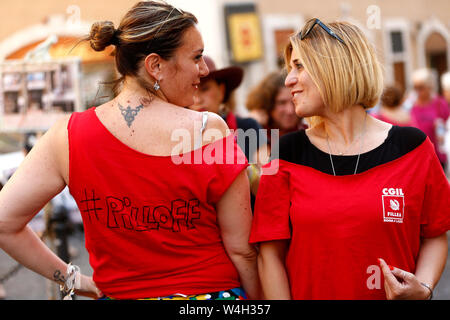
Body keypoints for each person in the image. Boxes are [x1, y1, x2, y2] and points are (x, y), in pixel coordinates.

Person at [0, 1, 260, 300]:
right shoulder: (207, 130)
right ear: (155, 65)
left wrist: (76, 281)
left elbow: (4, 221)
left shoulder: (67, 136)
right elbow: (242, 250)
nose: (203, 70)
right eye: (197, 57)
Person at [250, 18, 450, 300]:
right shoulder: (285, 154)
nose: (288, 80)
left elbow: (435, 234)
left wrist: (425, 289)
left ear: (335, 67)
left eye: (299, 66)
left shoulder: (413, 147)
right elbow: (269, 256)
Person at [190, 55, 266, 199]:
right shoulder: (179, 135)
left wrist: (242, 168)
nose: (198, 99)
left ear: (222, 90)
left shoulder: (248, 127)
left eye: (205, 89)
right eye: (193, 90)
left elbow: (270, 181)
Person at [246, 70, 305, 139]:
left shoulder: (310, 135)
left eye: (294, 101)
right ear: (267, 104)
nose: (290, 111)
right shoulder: (255, 134)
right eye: (282, 103)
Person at [410, 68, 449, 169]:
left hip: (437, 155)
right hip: (417, 156)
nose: (417, 91)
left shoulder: (440, 103)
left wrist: (442, 128)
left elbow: (447, 126)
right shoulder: (410, 105)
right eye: (415, 87)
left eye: (421, 87)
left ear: (430, 86)